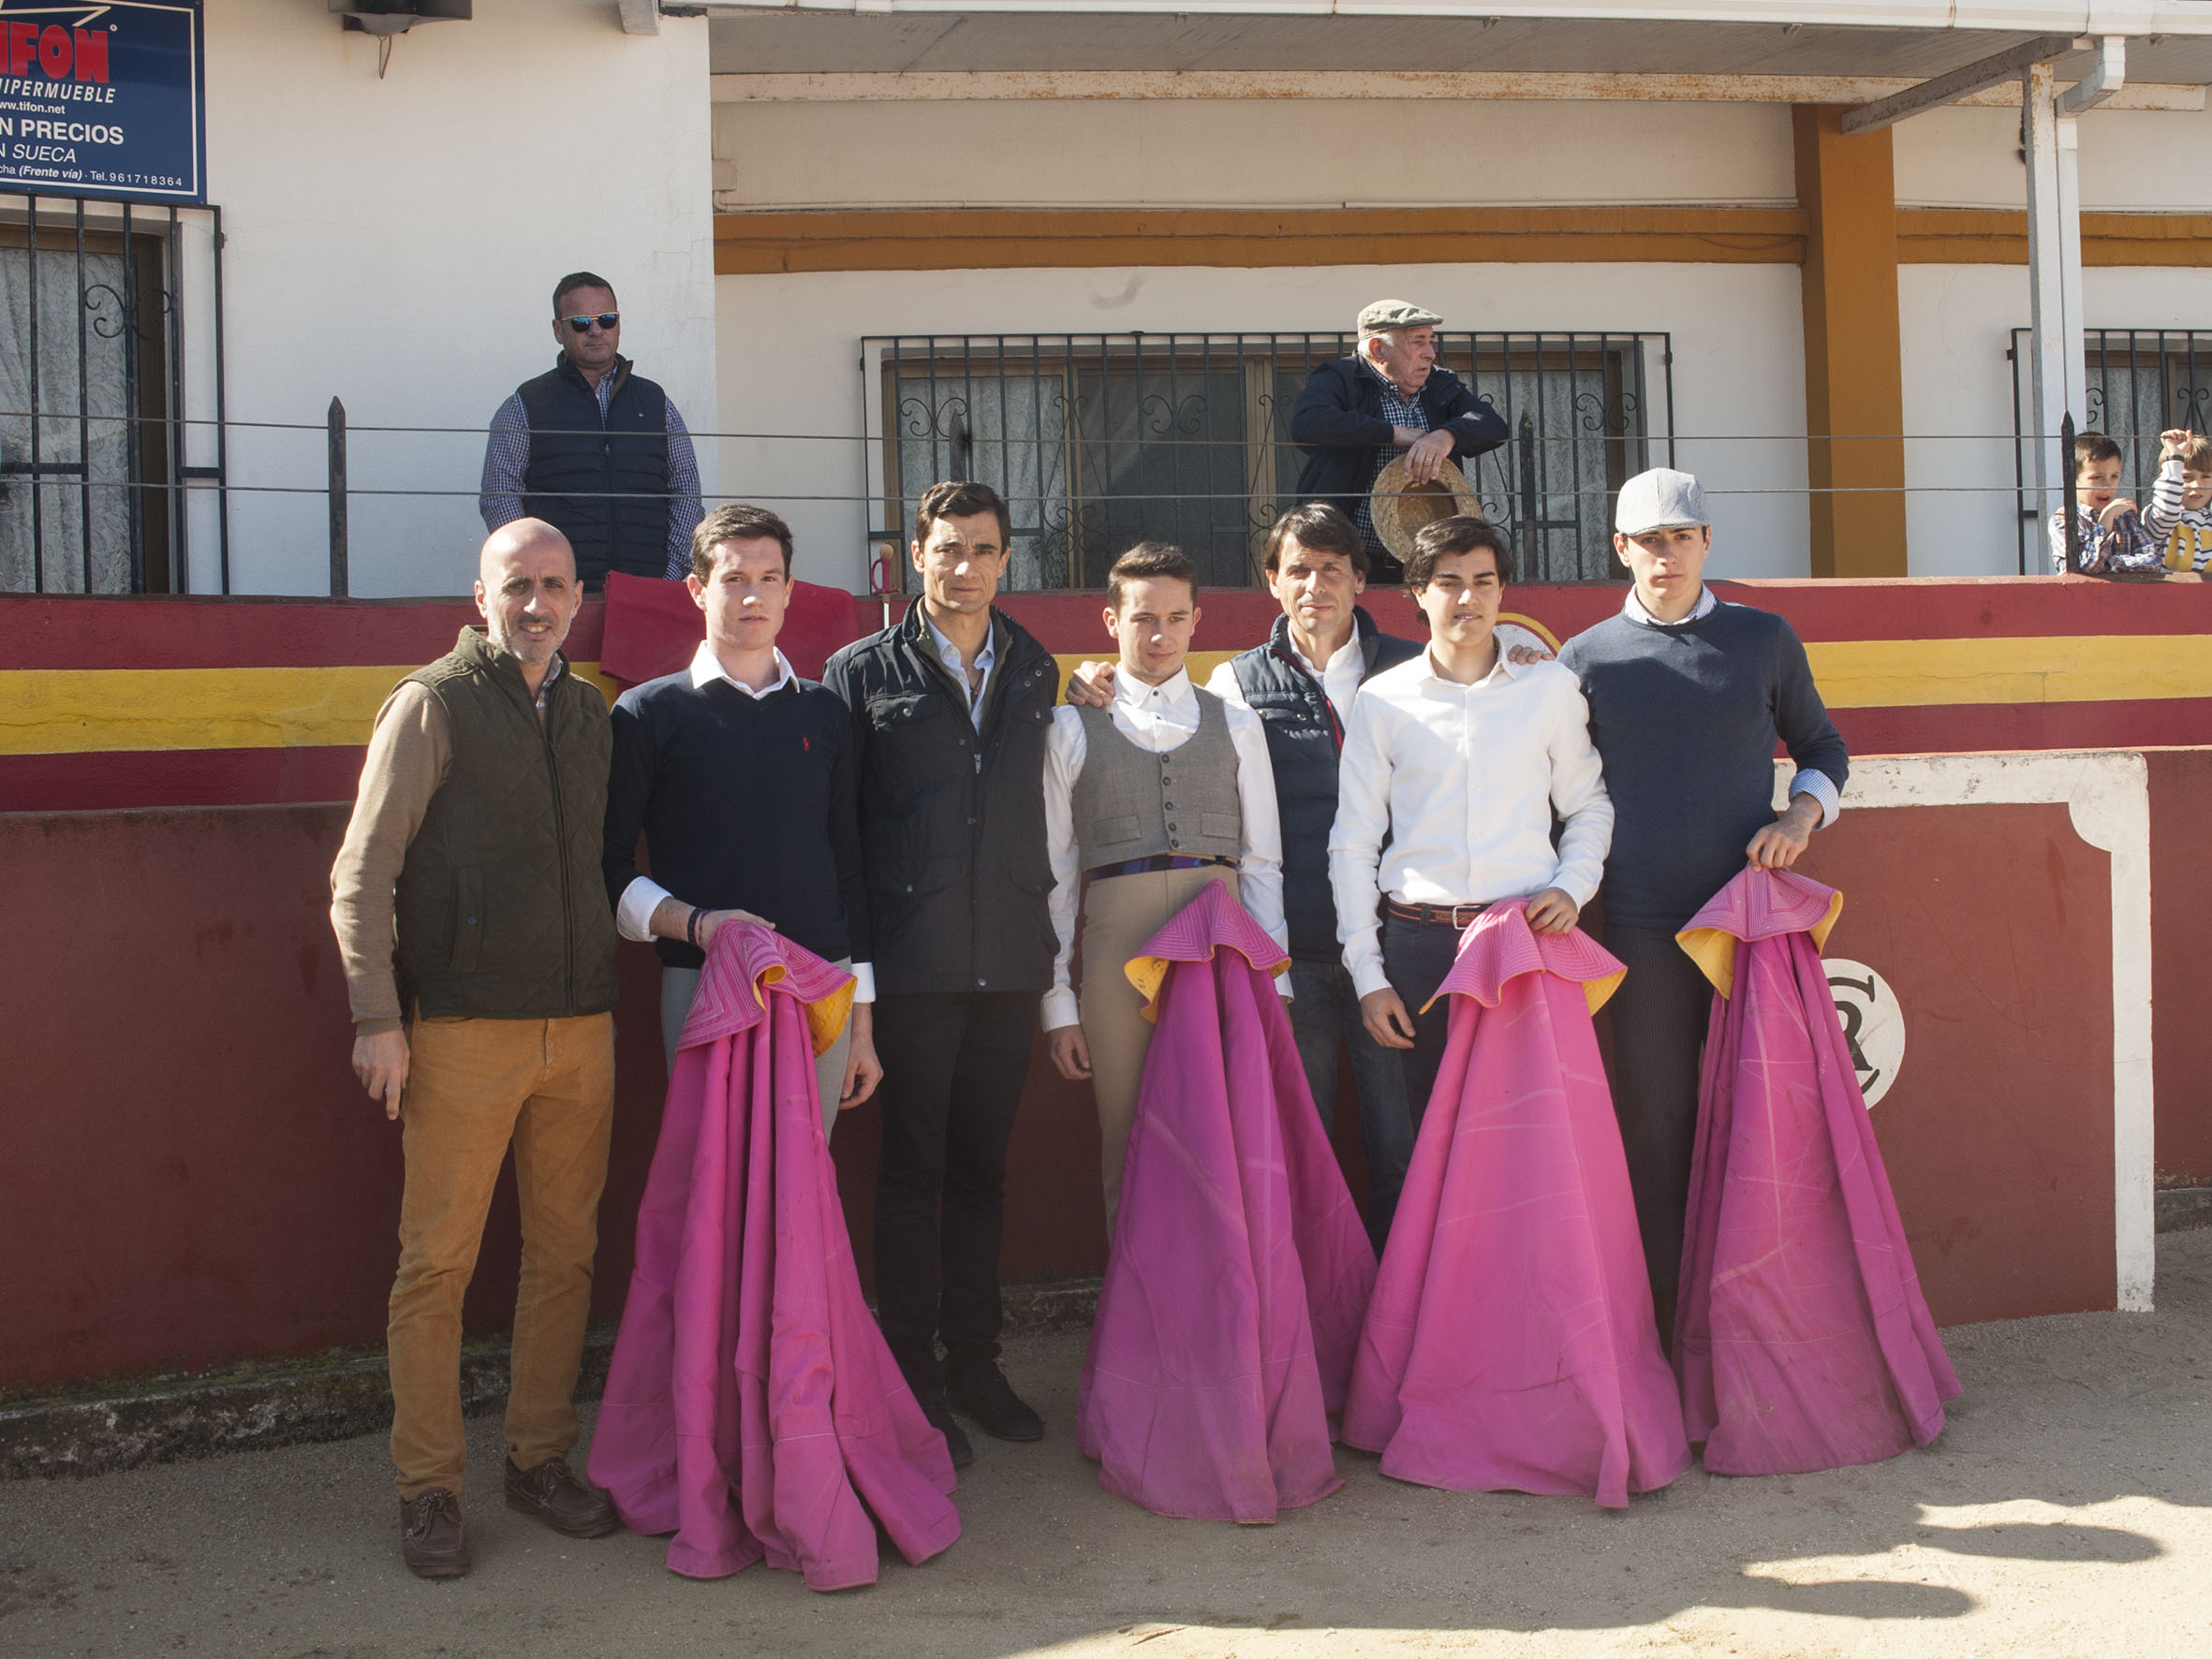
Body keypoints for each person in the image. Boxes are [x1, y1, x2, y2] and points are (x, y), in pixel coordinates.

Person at [1063, 502, 1546, 1252]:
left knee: (1406, 1145)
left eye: (1331, 568)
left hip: (1401, 949)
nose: (1314, 584)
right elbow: (1168, 727)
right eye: (1297, 569)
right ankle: (1316, 1330)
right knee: (1299, 1153)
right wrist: (1097, 683)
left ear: (1361, 579)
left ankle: (1405, 1321)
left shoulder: (1414, 670)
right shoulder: (1233, 683)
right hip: (1292, 953)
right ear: (1271, 582)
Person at [329, 520, 622, 1579]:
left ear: (579, 595)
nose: (536, 604)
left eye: (553, 585)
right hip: (458, 1029)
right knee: (436, 1265)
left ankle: (538, 1459)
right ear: (481, 593)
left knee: (565, 1256)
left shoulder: (590, 713)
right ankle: (429, 1488)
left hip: (581, 1023)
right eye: (517, 586)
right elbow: (361, 875)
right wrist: (376, 1017)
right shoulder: (432, 703)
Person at [1556, 466, 1849, 1344]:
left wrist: (1800, 814)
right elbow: (1557, 793)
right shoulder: (1585, 658)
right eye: (1648, 541)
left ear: (1706, 543)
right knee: (1657, 1123)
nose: (1665, 555)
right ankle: (1665, 1332)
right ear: (1620, 549)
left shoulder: (1764, 639)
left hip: (1747, 923)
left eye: (1680, 538)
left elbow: (1826, 746)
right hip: (1639, 926)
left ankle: (1759, 1326)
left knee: (1765, 1122)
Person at [822, 479, 1059, 1469]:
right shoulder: (858, 670)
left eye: (984, 549)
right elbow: (838, 833)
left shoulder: (1039, 667)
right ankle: (911, 1373)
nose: (964, 566)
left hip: (1006, 962)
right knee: (910, 1173)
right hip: (910, 967)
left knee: (979, 1171)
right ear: (914, 554)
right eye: (947, 547)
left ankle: (975, 1363)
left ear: (1007, 559)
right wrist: (861, 985)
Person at [1328, 515, 1614, 1245]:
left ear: (1501, 591)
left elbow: (1588, 804)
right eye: (1449, 582)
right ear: (1417, 594)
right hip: (1415, 949)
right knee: (1410, 1157)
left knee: (1524, 1155)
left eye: (1483, 582)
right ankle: (1414, 1347)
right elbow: (1354, 841)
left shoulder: (1547, 689)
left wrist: (1574, 884)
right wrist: (1368, 974)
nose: (1468, 599)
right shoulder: (1383, 700)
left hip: (1518, 946)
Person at [601, 503, 881, 1128]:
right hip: (702, 981)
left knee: (802, 1195)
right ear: (698, 589)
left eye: (769, 578)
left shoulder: (826, 713)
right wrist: (699, 925)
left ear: (788, 591)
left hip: (823, 988)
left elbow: (850, 867)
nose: (752, 596)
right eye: (733, 579)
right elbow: (611, 868)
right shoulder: (646, 714)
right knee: (716, 1194)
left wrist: (861, 1020)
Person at [1041, 541, 1290, 1237]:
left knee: (1225, 1133)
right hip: (1114, 946)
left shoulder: (1237, 722)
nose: (1160, 635)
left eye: (1176, 618)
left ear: (1196, 621)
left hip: (1222, 944)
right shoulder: (1069, 725)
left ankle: (1229, 1312)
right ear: (1111, 621)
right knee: (1127, 1134)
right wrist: (1057, 1001)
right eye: (1144, 617)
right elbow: (1056, 875)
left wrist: (1278, 981)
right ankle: (1142, 1321)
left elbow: (1261, 862)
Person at [479, 271, 704, 588]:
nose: (596, 331)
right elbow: (499, 497)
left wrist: (669, 576)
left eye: (607, 320)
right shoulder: (526, 404)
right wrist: (536, 575)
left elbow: (686, 494)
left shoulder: (656, 402)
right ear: (559, 330)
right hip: (557, 598)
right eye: (582, 323)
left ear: (619, 324)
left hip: (648, 590)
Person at [1289, 300, 1509, 582]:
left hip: (1431, 561)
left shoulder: (1441, 383)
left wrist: (1447, 436)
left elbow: (1493, 425)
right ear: (1377, 349)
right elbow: (1307, 422)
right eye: (1418, 341)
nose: (1430, 353)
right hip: (1347, 559)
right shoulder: (1339, 376)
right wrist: (1394, 434)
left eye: (1430, 341)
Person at [2048, 431, 2158, 574]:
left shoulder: (2125, 516)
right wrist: (2106, 520)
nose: (2107, 485)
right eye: (2097, 477)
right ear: (2073, 479)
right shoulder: (2064, 519)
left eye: (2114, 476)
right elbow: (2088, 565)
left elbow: (2153, 561)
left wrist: (2108, 565)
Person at [2145, 427, 2212, 572]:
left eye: (2206, 476)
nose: (2197, 485)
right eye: (2186, 477)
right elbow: (2167, 512)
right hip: (2167, 594)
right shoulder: (2158, 516)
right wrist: (2175, 457)